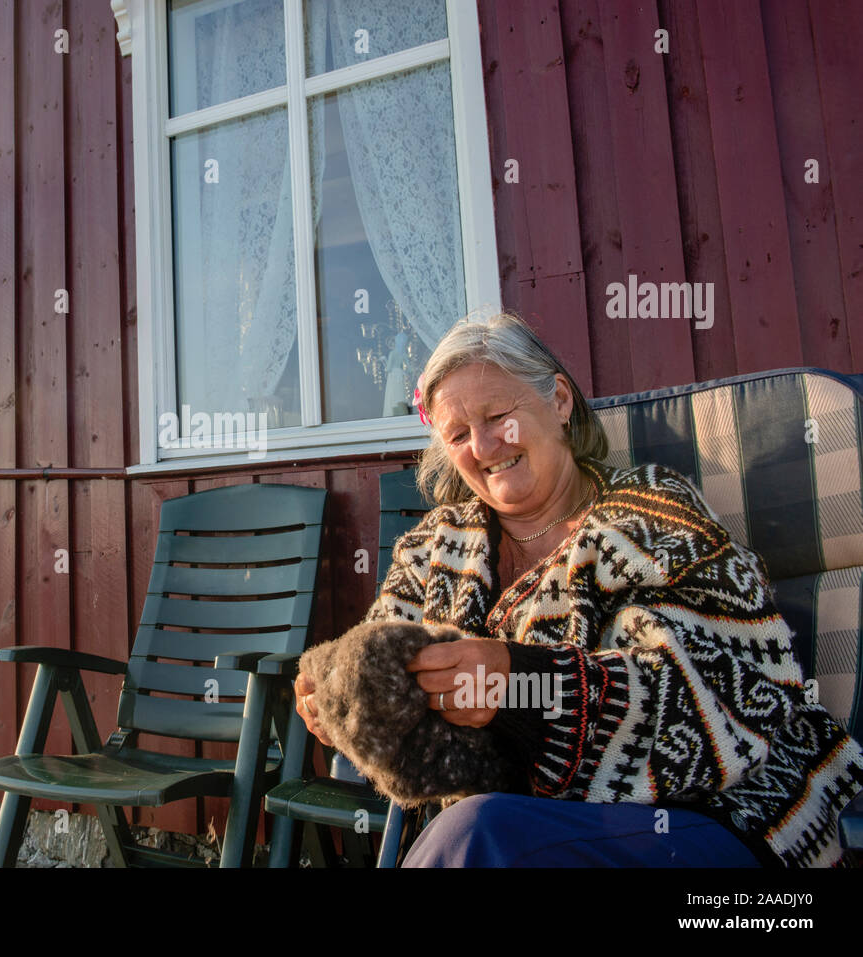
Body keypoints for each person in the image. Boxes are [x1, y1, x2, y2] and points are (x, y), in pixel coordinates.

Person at [293, 311, 863, 867]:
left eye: (499, 416)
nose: (485, 446)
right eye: (460, 434)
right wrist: (342, 702)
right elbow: (380, 674)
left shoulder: (648, 517)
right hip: (515, 831)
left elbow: (725, 703)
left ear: (559, 401)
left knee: (477, 832)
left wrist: (525, 687)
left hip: (705, 817)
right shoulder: (432, 547)